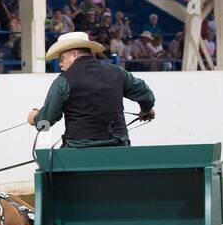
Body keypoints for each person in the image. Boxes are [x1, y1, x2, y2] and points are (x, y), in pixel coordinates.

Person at [27, 31, 155, 148]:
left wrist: (35, 119)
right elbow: (146, 94)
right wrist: (146, 109)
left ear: (74, 55)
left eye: (62, 59)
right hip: (118, 147)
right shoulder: (117, 72)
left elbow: (47, 121)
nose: (60, 64)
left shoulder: (63, 81)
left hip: (78, 151)